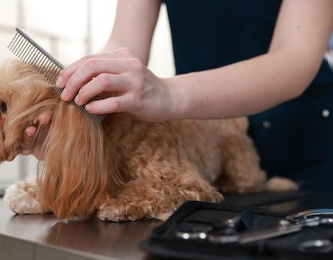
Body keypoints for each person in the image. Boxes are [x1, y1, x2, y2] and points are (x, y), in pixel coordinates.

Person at [24, 0, 333, 191]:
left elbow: (295, 58)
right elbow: (125, 42)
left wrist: (167, 94)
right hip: (204, 147)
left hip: (303, 146)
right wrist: (79, 103)